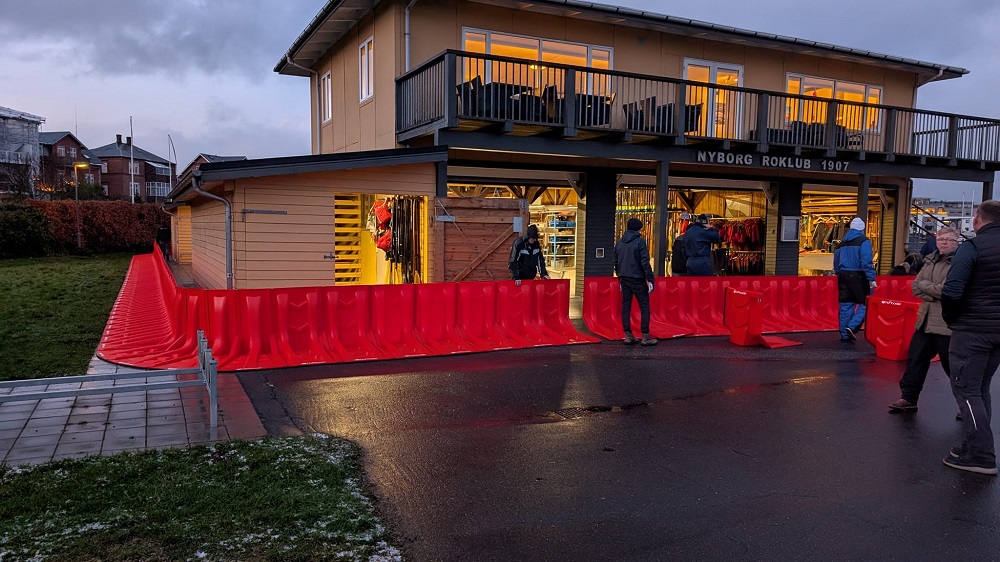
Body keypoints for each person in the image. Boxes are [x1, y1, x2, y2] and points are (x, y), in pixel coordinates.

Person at [939, 200, 1000, 475]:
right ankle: (971, 444)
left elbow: (952, 290)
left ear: (977, 219)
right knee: (980, 389)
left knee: (966, 391)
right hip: (996, 331)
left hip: (972, 330)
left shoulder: (972, 247)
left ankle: (981, 455)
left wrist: (952, 319)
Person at [888, 227, 960, 412]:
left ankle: (966, 405)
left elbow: (948, 291)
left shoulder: (959, 262)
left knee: (953, 367)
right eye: (941, 239)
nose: (944, 243)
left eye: (949, 239)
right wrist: (933, 291)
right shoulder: (929, 260)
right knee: (915, 361)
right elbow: (915, 287)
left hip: (946, 323)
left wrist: (926, 287)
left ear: (957, 241)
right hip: (925, 321)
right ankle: (908, 398)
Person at [614, 218, 657, 346]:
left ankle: (628, 335)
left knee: (626, 306)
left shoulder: (620, 242)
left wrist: (619, 277)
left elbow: (615, 262)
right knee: (644, 306)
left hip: (624, 278)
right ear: (639, 228)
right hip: (638, 278)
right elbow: (644, 262)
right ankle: (645, 335)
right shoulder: (639, 242)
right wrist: (650, 278)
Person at [833, 217, 876, 342]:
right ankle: (852, 326)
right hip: (859, 276)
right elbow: (866, 261)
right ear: (862, 229)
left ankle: (844, 334)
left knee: (846, 305)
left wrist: (839, 272)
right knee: (867, 302)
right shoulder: (864, 242)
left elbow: (836, 261)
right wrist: (871, 278)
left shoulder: (842, 243)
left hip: (843, 276)